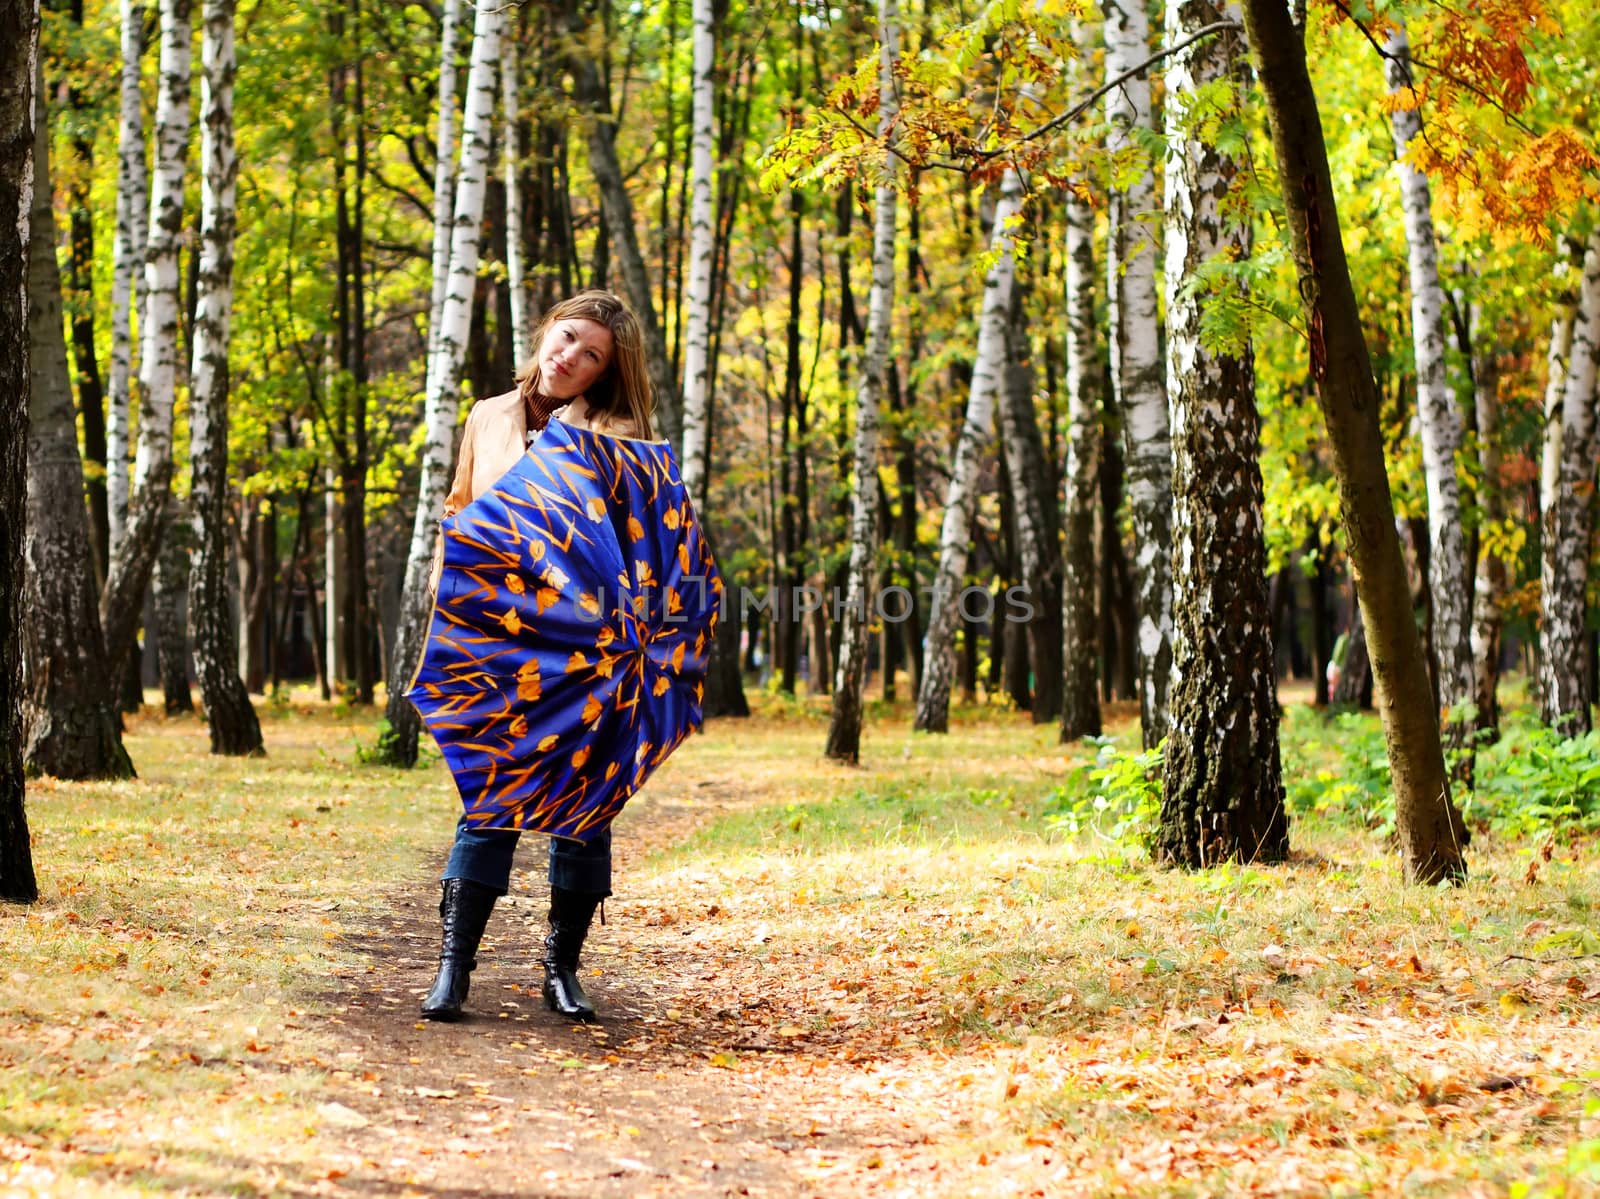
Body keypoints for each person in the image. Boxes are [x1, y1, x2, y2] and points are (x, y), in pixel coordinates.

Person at [420, 290, 656, 1025]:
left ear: (604, 373)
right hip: (496, 636)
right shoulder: (489, 414)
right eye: (568, 338)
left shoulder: (616, 433)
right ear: (547, 331)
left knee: (584, 809)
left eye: (591, 355)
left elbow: (638, 537)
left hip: (584, 644)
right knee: (489, 799)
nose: (571, 358)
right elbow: (461, 504)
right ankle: (454, 967)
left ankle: (563, 967)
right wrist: (448, 593)